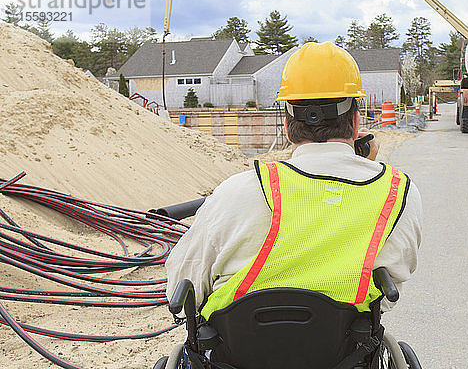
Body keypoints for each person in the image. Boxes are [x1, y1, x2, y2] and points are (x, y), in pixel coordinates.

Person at [165, 42, 422, 319]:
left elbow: (181, 286)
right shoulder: (397, 193)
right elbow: (389, 291)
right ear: (357, 122)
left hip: (236, 354)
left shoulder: (235, 193)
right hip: (344, 353)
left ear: (287, 127)